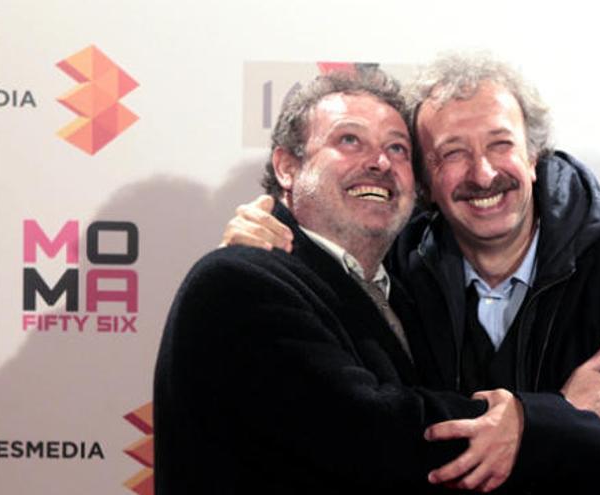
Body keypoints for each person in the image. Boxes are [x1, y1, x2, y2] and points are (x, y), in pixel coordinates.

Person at [222, 54, 600, 495]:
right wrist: (270, 234)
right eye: (452, 153)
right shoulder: (399, 260)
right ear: (425, 181)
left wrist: (531, 426)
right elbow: (380, 437)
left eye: (500, 144)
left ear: (533, 158)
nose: (483, 174)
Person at [154, 69, 527, 495]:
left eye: (398, 148)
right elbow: (374, 436)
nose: (380, 162)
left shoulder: (405, 293)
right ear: (287, 167)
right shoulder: (238, 283)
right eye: (350, 140)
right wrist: (532, 421)